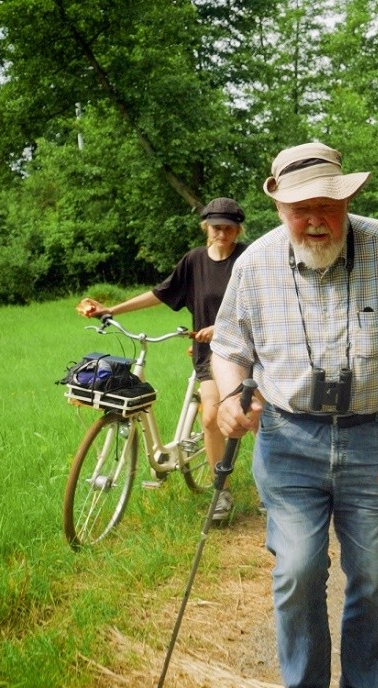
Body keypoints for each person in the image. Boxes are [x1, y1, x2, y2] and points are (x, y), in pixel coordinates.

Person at [210, 142, 378, 688]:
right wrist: (236, 396)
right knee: (296, 569)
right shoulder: (256, 263)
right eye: (300, 209)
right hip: (289, 441)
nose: (315, 219)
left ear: (347, 200)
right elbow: (227, 349)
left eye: (327, 205)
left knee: (373, 575)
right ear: (279, 207)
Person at [77, 197, 249, 522]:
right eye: (216, 227)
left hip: (248, 349)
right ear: (205, 228)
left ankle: (276, 486)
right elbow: (161, 292)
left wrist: (224, 326)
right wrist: (112, 309)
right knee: (211, 418)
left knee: (256, 418)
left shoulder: (248, 258)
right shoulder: (194, 261)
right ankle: (221, 491)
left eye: (228, 228)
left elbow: (262, 304)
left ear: (238, 229)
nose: (222, 234)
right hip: (209, 354)